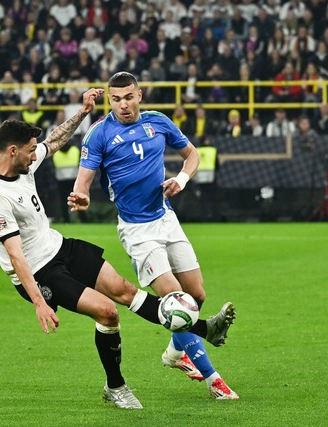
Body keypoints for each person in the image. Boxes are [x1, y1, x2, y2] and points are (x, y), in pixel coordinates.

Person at [0, 88, 235, 409]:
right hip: (40, 272)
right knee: (108, 312)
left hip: (60, 247)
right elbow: (16, 256)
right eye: (30, 151)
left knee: (126, 291)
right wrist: (39, 302)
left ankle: (204, 329)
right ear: (12, 150)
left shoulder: (21, 163)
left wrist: (84, 112)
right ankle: (116, 386)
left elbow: (54, 141)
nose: (35, 155)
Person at [69, 72, 239, 400]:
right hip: (137, 231)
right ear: (109, 100)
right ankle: (214, 380)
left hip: (167, 218)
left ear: (139, 95)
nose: (123, 105)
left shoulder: (158, 122)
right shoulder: (98, 134)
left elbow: (193, 155)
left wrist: (182, 180)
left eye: (128, 97)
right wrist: (82, 196)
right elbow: (83, 181)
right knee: (175, 300)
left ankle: (174, 354)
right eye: (116, 99)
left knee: (196, 296)